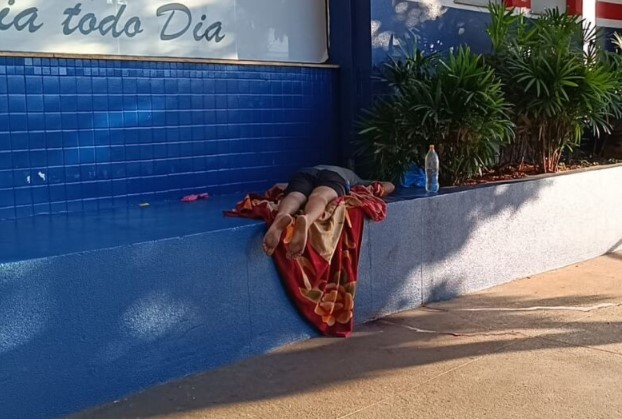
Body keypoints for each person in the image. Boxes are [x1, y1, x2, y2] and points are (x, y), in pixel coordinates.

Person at [262, 165, 395, 258]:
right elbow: (390, 185)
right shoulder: (353, 177)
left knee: (295, 196)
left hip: (305, 172)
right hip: (333, 178)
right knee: (320, 197)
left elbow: (279, 186)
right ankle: (307, 219)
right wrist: (378, 188)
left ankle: (282, 215)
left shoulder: (321, 166)